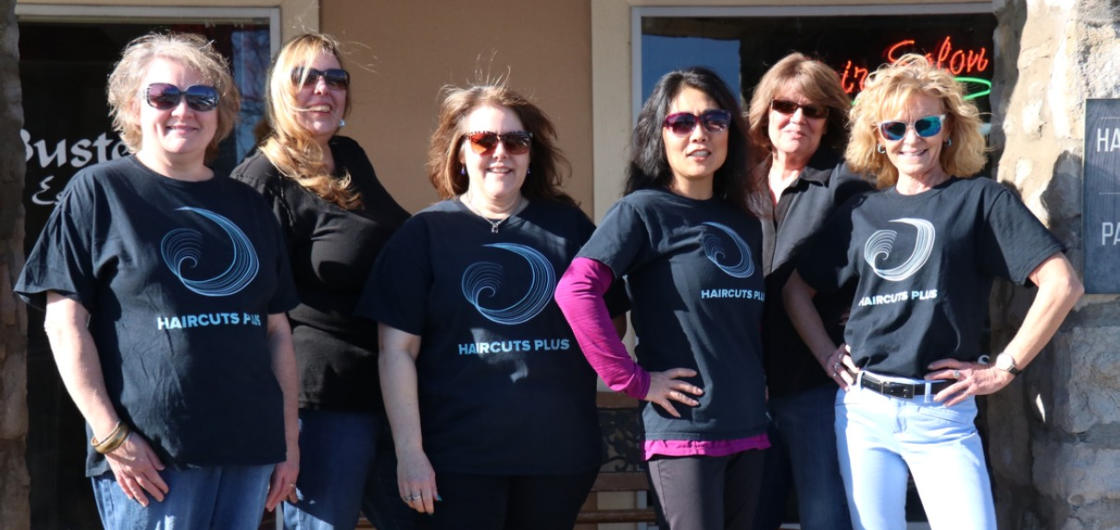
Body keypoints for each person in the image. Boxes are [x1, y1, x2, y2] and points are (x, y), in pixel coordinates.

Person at [783, 54, 1083, 529]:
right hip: (865, 411)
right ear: (878, 140)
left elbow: (1062, 282)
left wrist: (1004, 368)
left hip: (941, 412)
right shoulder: (861, 212)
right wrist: (825, 353)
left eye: (925, 123)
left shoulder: (981, 201)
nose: (911, 139)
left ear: (948, 129)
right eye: (894, 128)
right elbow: (796, 289)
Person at [14, 32, 301, 528]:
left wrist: (288, 443)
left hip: (248, 448)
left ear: (220, 112)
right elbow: (64, 327)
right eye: (163, 96)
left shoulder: (249, 206)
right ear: (133, 107)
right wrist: (110, 436)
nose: (183, 110)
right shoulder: (100, 191)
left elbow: (277, 333)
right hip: (151, 459)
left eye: (201, 98)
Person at [357, 83, 626, 529]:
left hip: (558, 457)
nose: (500, 152)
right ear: (460, 153)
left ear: (530, 154)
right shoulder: (424, 234)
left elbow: (609, 320)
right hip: (457, 460)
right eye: (483, 140)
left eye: (516, 141)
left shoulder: (570, 228)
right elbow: (396, 352)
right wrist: (410, 454)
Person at [554, 66, 767, 530]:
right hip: (684, 433)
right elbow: (575, 290)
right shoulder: (642, 212)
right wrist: (633, 380)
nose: (699, 135)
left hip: (749, 428)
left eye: (714, 121)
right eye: (681, 123)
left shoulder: (745, 223)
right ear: (660, 135)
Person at [230, 33, 412, 530]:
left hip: (388, 391)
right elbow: (251, 311)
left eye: (335, 79)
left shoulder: (349, 157)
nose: (322, 89)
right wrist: (282, 433)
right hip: (320, 404)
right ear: (279, 92)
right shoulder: (260, 180)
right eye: (305, 77)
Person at [746, 52, 870, 530]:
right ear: (766, 112)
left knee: (826, 517)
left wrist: (853, 329)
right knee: (753, 515)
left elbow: (879, 265)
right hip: (746, 387)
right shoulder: (738, 186)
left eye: (813, 110)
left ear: (829, 121)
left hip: (817, 387)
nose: (797, 119)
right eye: (785, 106)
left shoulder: (849, 185)